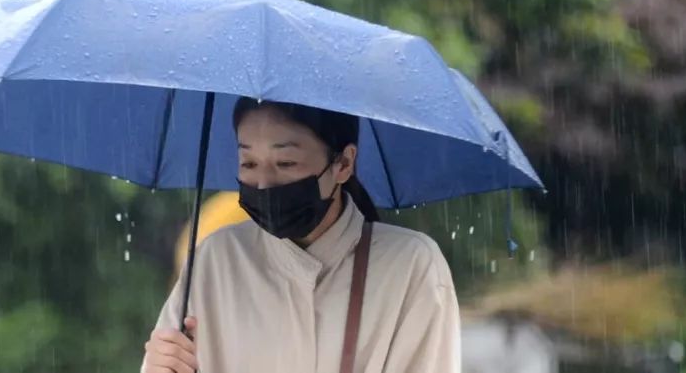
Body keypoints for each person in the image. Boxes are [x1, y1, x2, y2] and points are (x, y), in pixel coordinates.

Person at [141, 97, 461, 373]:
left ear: (344, 163)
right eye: (248, 162)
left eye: (286, 162)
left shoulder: (409, 267)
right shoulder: (215, 261)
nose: (264, 183)